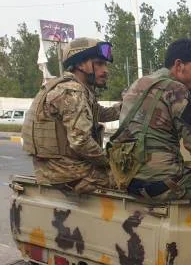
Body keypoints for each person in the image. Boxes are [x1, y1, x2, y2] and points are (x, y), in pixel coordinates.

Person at [107, 38, 191, 201]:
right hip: (159, 185)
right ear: (179, 65)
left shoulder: (138, 84)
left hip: (128, 180)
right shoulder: (177, 89)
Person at [21, 38, 120, 193]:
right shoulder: (73, 91)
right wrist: (109, 162)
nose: (105, 70)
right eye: (99, 63)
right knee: (126, 179)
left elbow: (99, 113)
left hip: (57, 168)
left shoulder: (71, 87)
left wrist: (128, 105)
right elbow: (81, 142)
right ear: (80, 64)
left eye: (105, 64)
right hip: (66, 172)